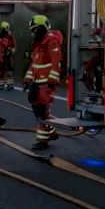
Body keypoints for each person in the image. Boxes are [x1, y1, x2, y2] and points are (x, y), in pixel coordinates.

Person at [23, 15, 64, 150]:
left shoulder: (51, 41)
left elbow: (56, 61)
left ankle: (42, 140)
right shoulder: (38, 43)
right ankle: (51, 131)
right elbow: (33, 64)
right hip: (37, 82)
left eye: (35, 29)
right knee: (37, 109)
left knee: (42, 110)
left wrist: (52, 80)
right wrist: (27, 79)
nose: (33, 32)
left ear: (42, 28)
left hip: (46, 82)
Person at [0, 21, 17, 90]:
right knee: (0, 71)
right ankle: (1, 85)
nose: (0, 30)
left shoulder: (10, 37)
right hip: (1, 57)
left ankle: (10, 84)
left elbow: (14, 46)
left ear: (5, 29)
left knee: (9, 71)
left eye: (1, 28)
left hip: (9, 57)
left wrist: (10, 51)